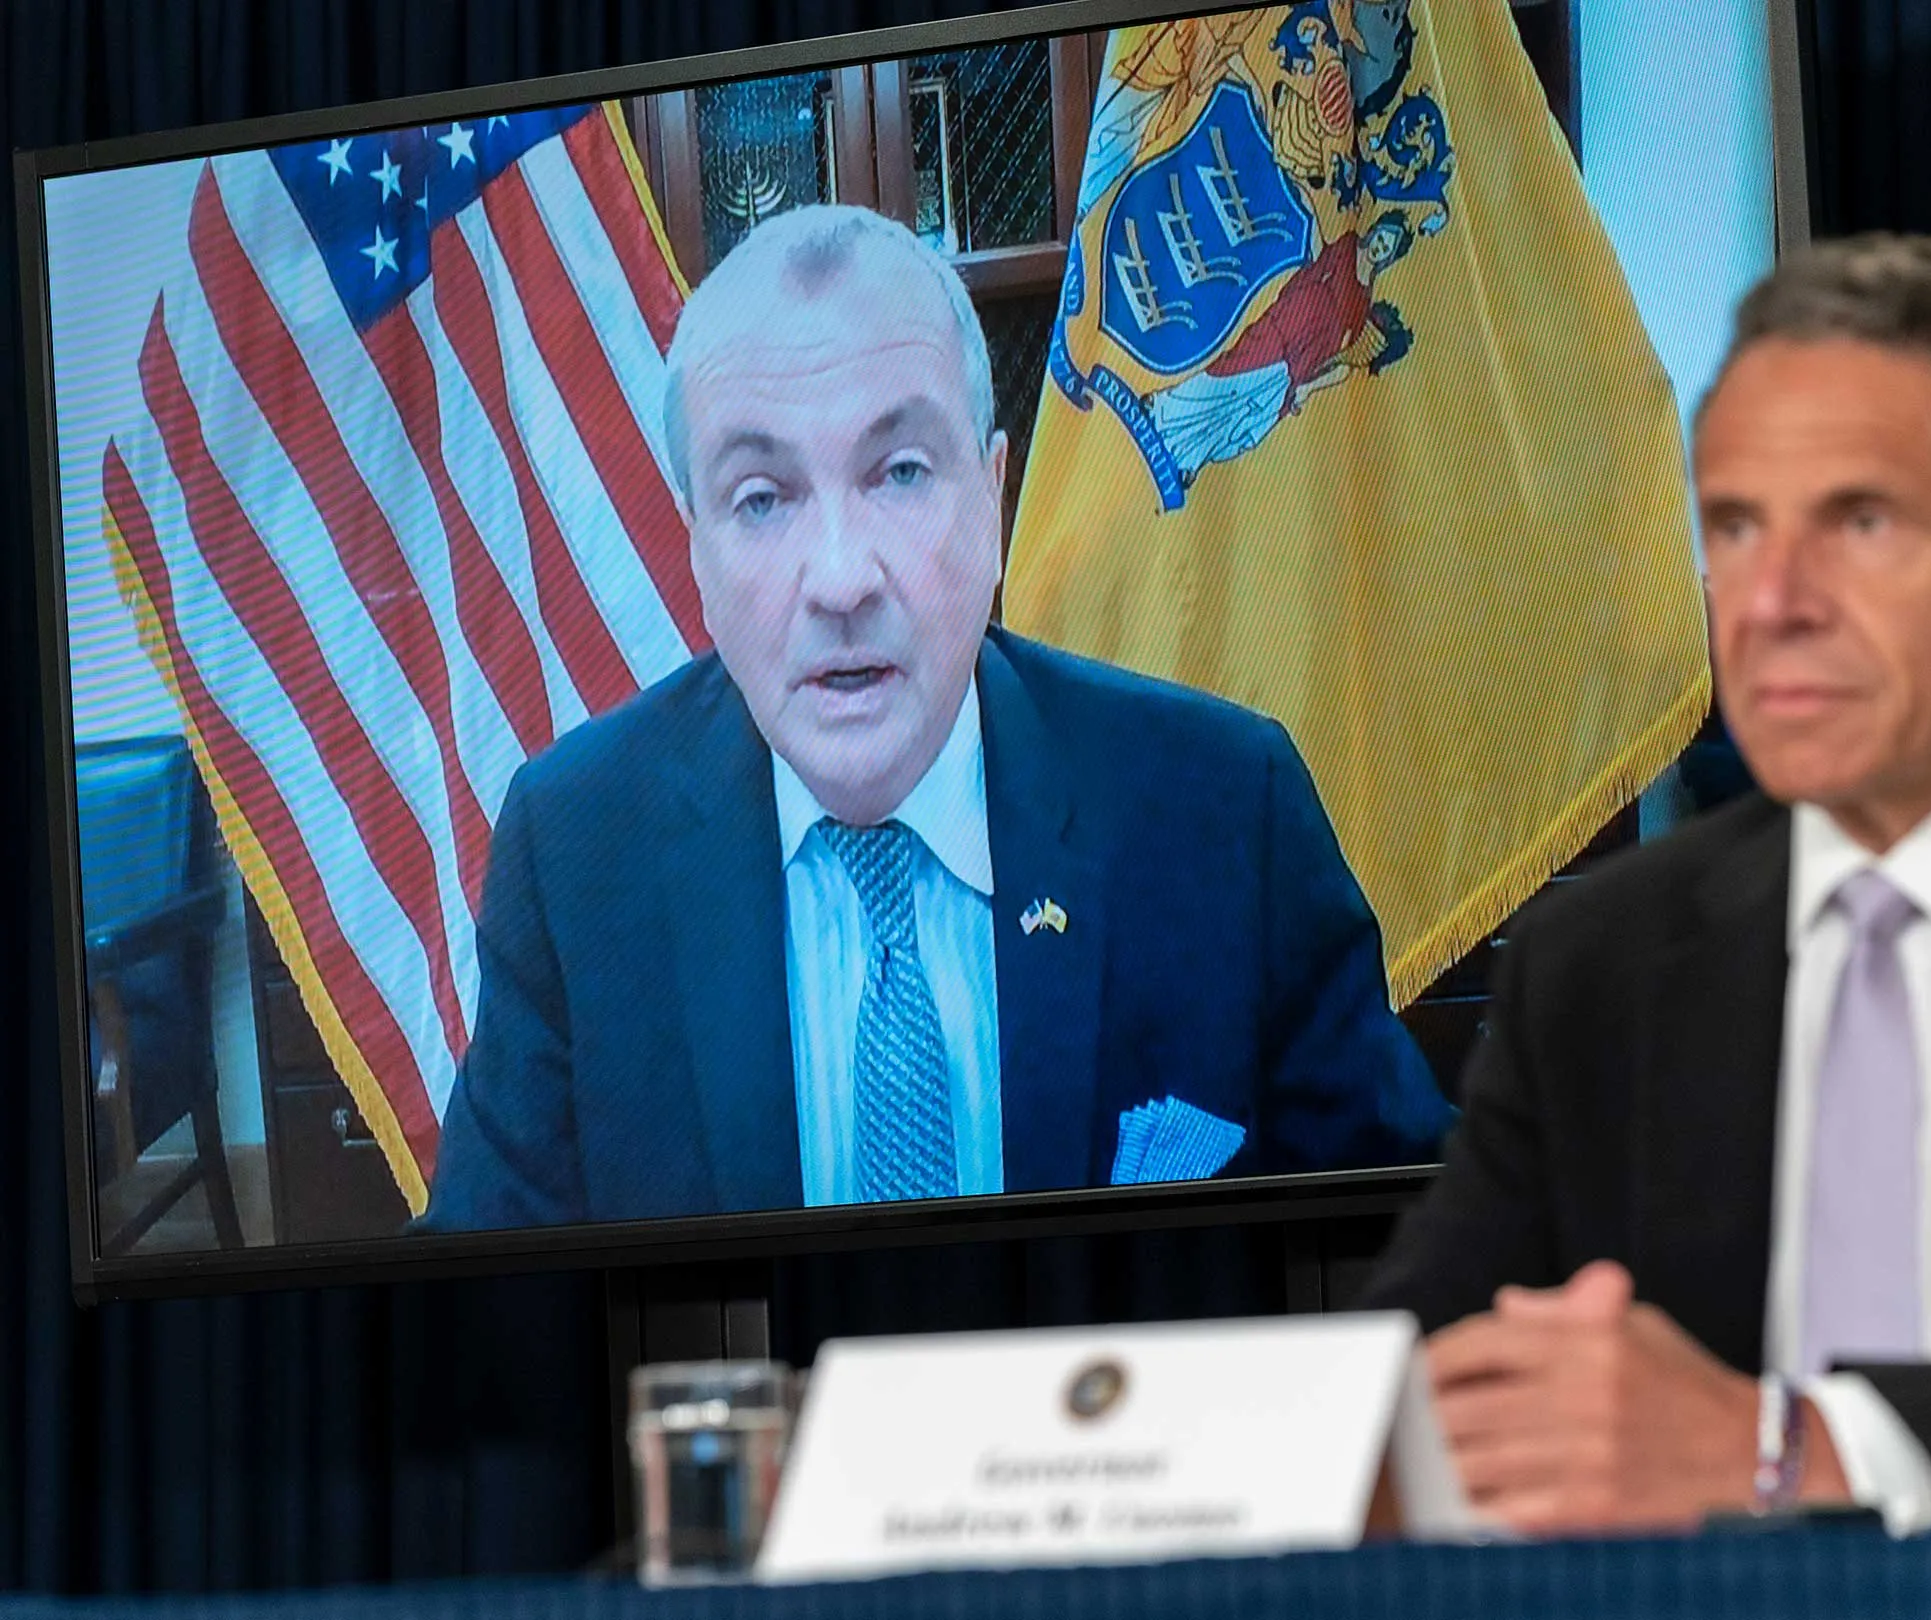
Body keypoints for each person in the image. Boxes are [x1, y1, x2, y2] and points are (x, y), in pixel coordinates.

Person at [1362, 234, 1931, 1535]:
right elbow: (1416, 1391)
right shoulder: (1602, 962)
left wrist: (1802, 1448)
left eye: (1859, 523)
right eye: (1736, 528)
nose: (1772, 603)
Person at [424, 204, 1451, 1229]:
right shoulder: (575, 853)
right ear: (695, 551)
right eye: (760, 499)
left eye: (901, 472)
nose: (838, 580)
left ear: (991, 501)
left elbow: (1413, 1253)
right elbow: (485, 1323)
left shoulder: (1224, 808)